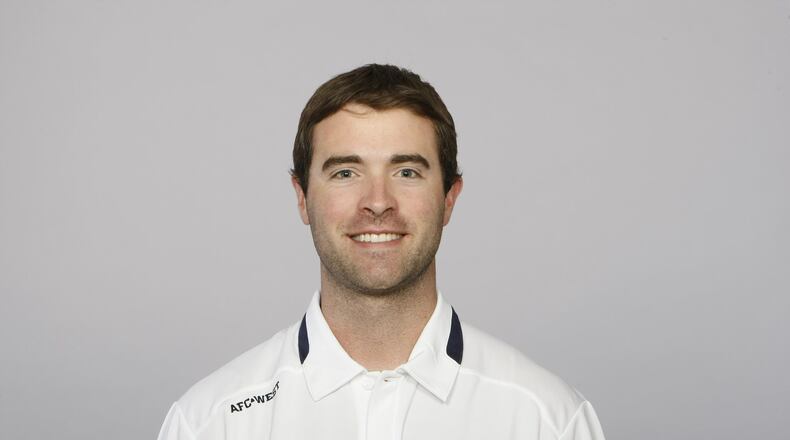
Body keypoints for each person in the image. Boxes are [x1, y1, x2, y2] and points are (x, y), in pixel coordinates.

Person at [157, 64, 606, 440]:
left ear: (449, 197)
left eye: (407, 171)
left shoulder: (547, 420)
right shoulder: (209, 423)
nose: (377, 201)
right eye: (346, 172)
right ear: (301, 197)